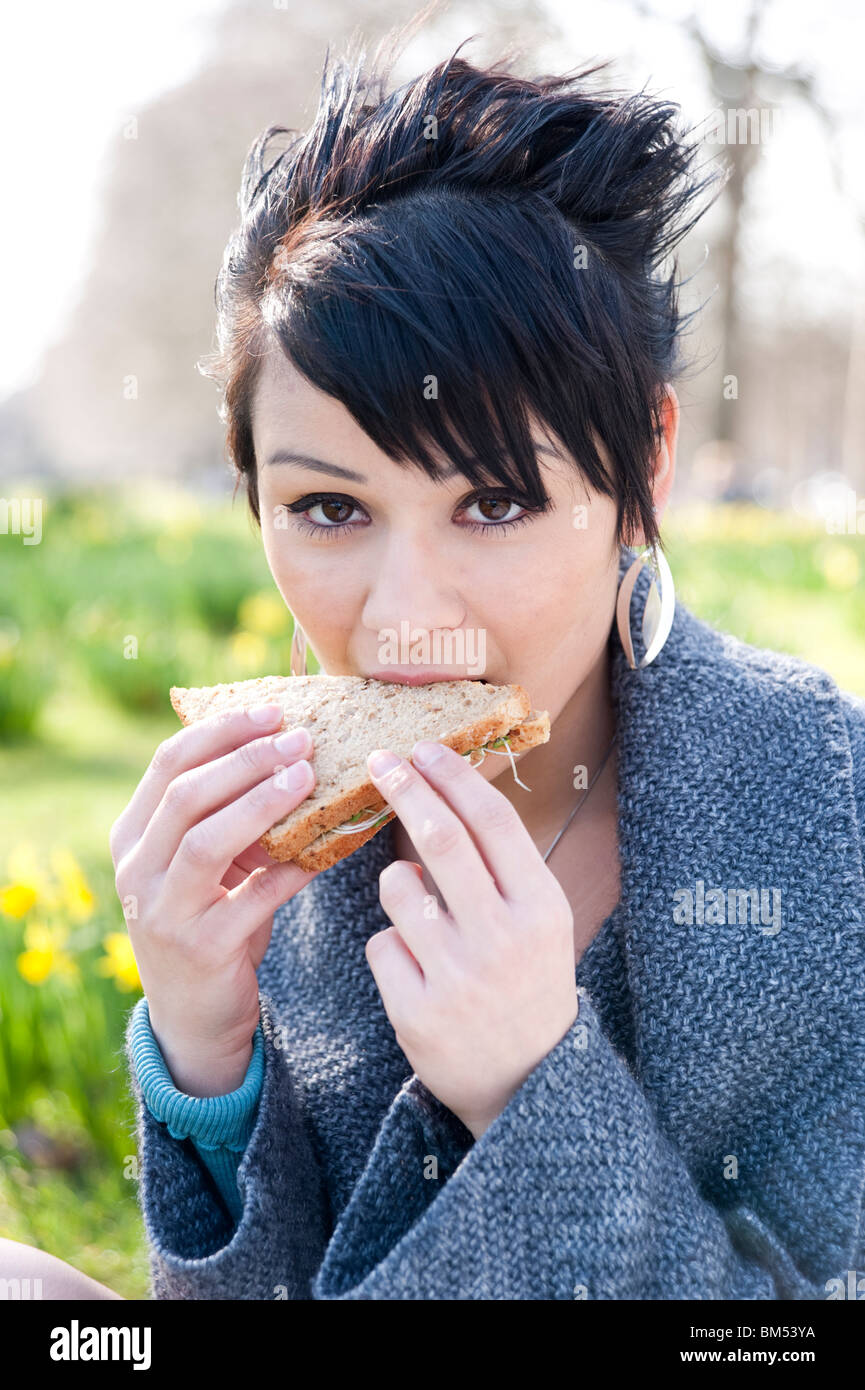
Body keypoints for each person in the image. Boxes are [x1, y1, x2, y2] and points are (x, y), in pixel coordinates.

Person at [7, 28, 863, 1301]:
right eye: (329, 509)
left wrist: (535, 1086)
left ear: (647, 466)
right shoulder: (292, 836)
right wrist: (203, 1051)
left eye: (497, 500)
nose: (404, 613)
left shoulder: (818, 806)